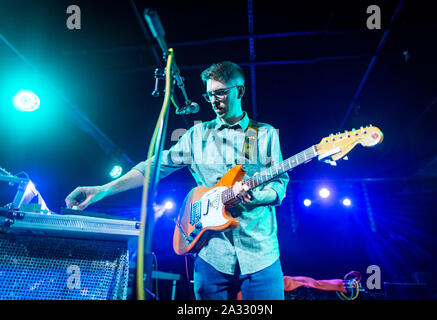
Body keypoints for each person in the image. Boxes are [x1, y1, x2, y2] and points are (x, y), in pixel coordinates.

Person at [65, 61, 289, 300]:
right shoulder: (197, 136)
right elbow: (152, 167)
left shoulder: (264, 134)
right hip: (211, 253)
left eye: (221, 93)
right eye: (209, 94)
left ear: (240, 91)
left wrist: (257, 195)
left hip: (259, 253)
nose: (214, 101)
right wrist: (102, 190)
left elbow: (279, 184)